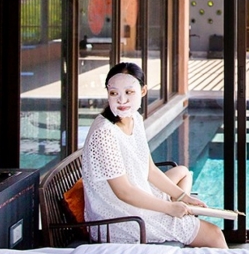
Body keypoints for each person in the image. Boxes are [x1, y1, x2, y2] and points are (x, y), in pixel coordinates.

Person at [82, 62, 228, 247]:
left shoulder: (134, 118)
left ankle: (178, 207)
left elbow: (149, 169)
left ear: (143, 91)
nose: (122, 100)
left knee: (183, 172)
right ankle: (175, 211)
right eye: (114, 93)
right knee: (214, 234)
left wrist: (184, 197)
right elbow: (124, 192)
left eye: (129, 92)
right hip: (118, 218)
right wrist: (169, 208)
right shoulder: (104, 132)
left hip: (137, 193)